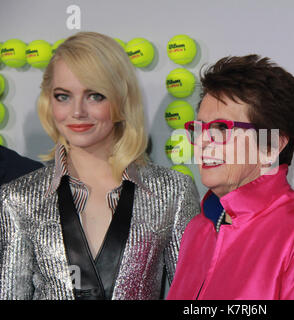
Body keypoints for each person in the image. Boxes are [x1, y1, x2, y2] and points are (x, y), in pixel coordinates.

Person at [0, 32, 200, 300]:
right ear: (49, 101)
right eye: (63, 96)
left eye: (94, 95)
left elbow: (193, 298)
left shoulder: (172, 191)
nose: (77, 111)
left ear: (121, 98)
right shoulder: (19, 197)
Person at [167, 55, 294, 300]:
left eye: (222, 129)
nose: (203, 141)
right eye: (199, 128)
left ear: (271, 145)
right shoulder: (198, 227)